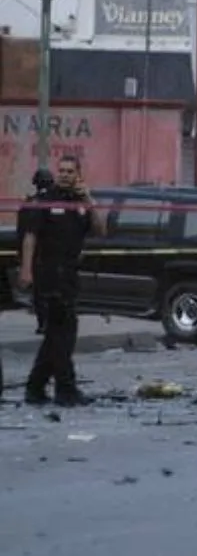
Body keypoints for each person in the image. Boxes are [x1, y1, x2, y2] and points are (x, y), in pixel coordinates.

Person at [18, 156, 106, 406]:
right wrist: (26, 270)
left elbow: (100, 231)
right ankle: (65, 390)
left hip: (69, 274)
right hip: (48, 273)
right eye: (62, 170)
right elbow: (30, 237)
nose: (64, 174)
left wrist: (89, 200)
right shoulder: (46, 199)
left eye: (70, 171)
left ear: (78, 174)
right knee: (64, 333)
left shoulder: (80, 202)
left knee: (57, 335)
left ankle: (35, 388)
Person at [17, 169, 55, 334]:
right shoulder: (54, 202)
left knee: (40, 292)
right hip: (49, 252)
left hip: (36, 253)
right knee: (50, 290)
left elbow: (22, 232)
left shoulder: (29, 203)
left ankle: (43, 323)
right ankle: (47, 322)